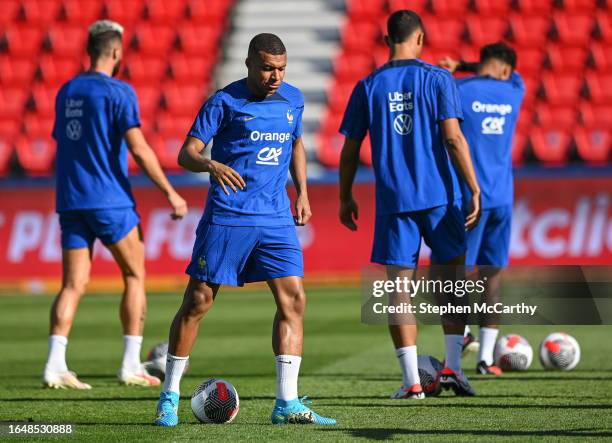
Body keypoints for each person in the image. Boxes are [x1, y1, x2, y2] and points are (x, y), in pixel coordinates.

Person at [153, 33, 336, 427]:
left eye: (282, 69)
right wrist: (210, 164)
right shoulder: (224, 101)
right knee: (199, 301)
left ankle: (286, 403)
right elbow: (187, 152)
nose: (276, 77)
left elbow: (296, 143)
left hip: (275, 218)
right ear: (250, 63)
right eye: (269, 68)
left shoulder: (293, 99)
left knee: (294, 300)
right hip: (228, 216)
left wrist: (302, 191)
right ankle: (168, 395)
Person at [338, 10, 481, 397]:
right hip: (440, 198)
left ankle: (411, 381)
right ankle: (453, 369)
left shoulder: (368, 86)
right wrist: (474, 186)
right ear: (420, 39)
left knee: (399, 290)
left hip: (393, 200)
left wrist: (344, 194)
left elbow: (350, 148)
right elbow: (453, 138)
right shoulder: (438, 78)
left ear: (388, 41)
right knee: (451, 282)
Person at [44, 20, 188, 390]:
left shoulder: (66, 91)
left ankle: (55, 364)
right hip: (109, 200)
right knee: (134, 275)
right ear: (115, 52)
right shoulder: (119, 92)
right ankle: (129, 365)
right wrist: (171, 193)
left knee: (73, 284)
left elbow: (65, 141)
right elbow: (139, 147)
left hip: (71, 200)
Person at [439, 43, 525, 375]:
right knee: (492, 277)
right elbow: (511, 73)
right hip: (503, 198)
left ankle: (459, 339)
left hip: (469, 198)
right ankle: (487, 359)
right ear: (505, 69)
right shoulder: (514, 89)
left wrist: (457, 68)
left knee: (453, 277)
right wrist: (465, 62)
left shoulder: (460, 89)